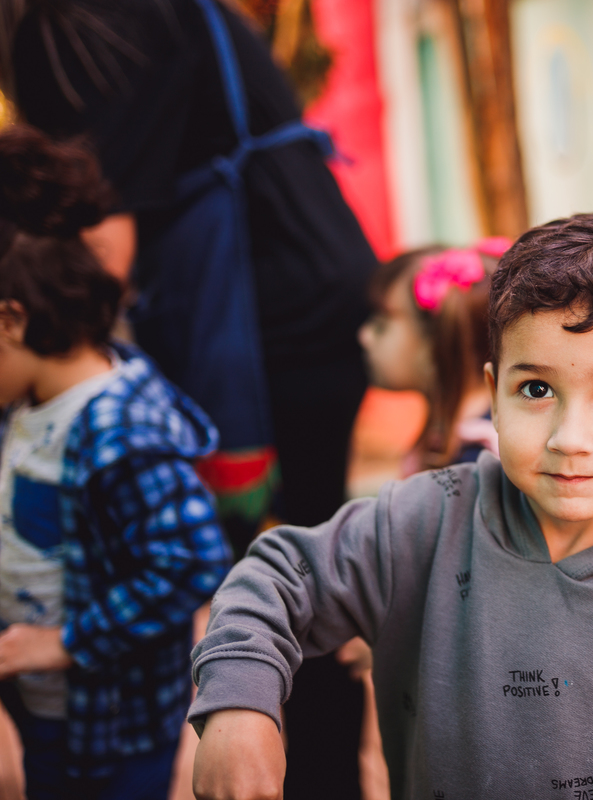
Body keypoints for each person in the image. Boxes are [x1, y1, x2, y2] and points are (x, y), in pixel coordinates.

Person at [189, 211, 593, 799]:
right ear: (494, 394)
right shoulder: (428, 521)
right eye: (536, 389)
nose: (569, 437)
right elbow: (275, 575)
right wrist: (240, 702)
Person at [1, 2, 378, 796]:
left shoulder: (80, 28)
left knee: (287, 581)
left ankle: (302, 776)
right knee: (299, 573)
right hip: (295, 289)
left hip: (264, 317)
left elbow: (103, 237)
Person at [0, 124, 232, 800]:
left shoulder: (114, 428)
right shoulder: (31, 404)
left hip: (107, 729)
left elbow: (193, 560)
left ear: (12, 320)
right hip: (42, 714)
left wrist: (65, 642)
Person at [359, 237, 512, 473]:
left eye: (382, 324)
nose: (365, 336)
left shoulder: (476, 461)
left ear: (434, 347)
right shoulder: (447, 439)